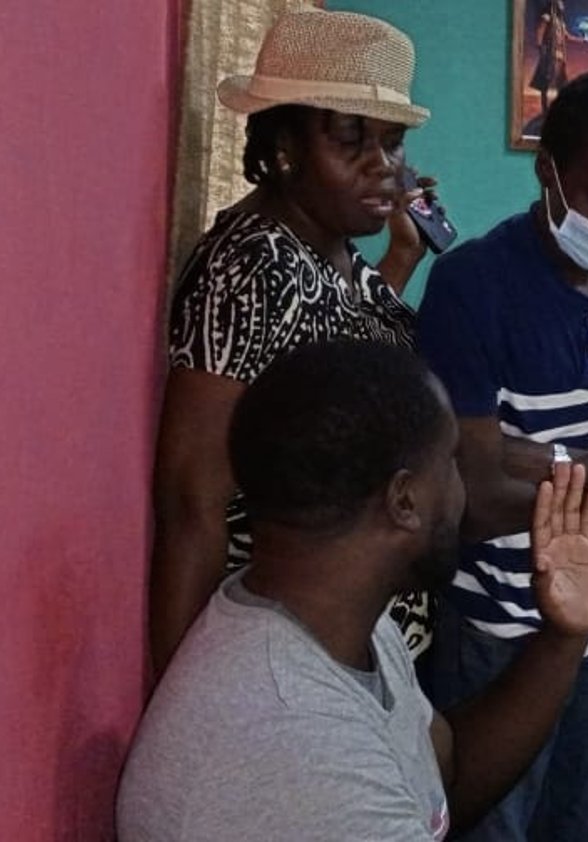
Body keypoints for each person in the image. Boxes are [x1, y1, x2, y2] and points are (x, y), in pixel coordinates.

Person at [119, 339, 588, 841]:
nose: (462, 488)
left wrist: (564, 637)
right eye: (450, 462)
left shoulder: (330, 625)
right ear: (404, 500)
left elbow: (446, 778)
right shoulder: (299, 743)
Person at [414, 69, 588, 841]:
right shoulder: (472, 283)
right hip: (495, 624)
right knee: (488, 821)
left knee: (576, 822)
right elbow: (477, 502)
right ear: (548, 170)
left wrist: (536, 456)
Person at [149, 8, 441, 679]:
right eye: (351, 140)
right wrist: (186, 698)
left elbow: (342, 358)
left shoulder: (332, 244)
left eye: (392, 143)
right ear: (284, 148)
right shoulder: (250, 267)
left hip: (365, 643)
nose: (384, 167)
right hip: (293, 659)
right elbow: (193, 502)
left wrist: (403, 258)